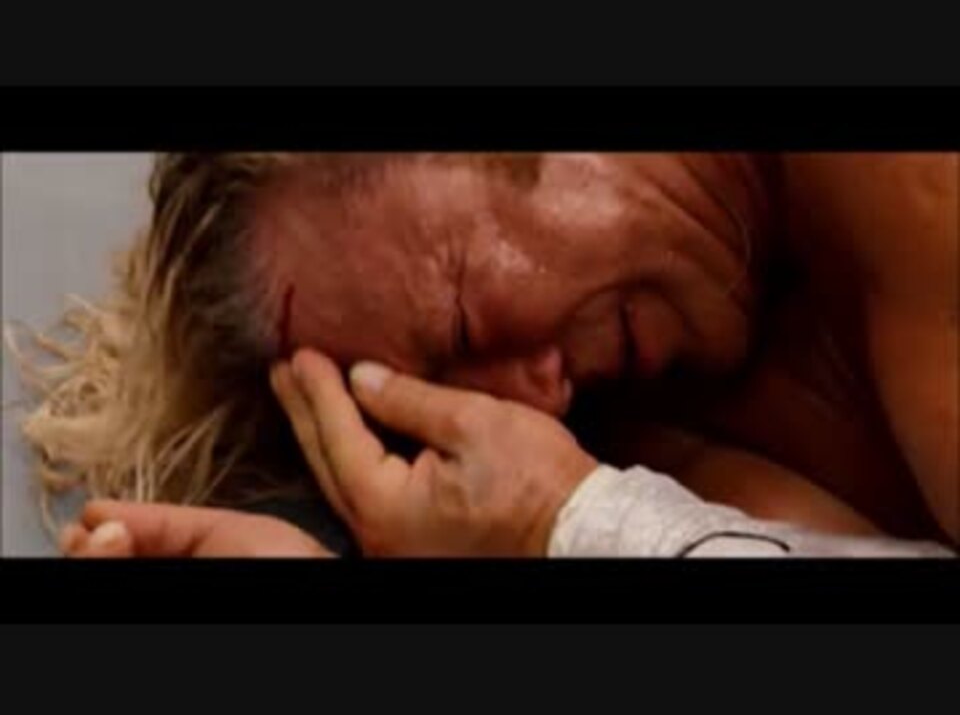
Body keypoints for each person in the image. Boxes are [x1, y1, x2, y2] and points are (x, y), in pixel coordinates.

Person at [18, 153, 956, 557]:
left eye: (465, 327)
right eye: (432, 396)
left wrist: (575, 524)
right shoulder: (636, 419)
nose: (528, 405)